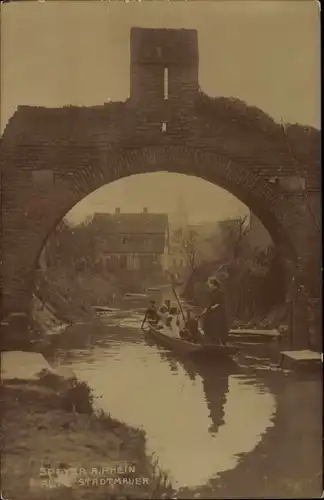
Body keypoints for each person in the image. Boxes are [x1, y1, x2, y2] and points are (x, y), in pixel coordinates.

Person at [200, 277, 228, 345]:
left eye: (210, 284)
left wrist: (213, 307)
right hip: (211, 311)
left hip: (218, 312)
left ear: (213, 284)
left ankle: (220, 343)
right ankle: (210, 342)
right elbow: (209, 304)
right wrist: (205, 310)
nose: (209, 286)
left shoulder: (220, 293)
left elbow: (220, 303)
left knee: (216, 326)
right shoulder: (210, 293)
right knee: (207, 323)